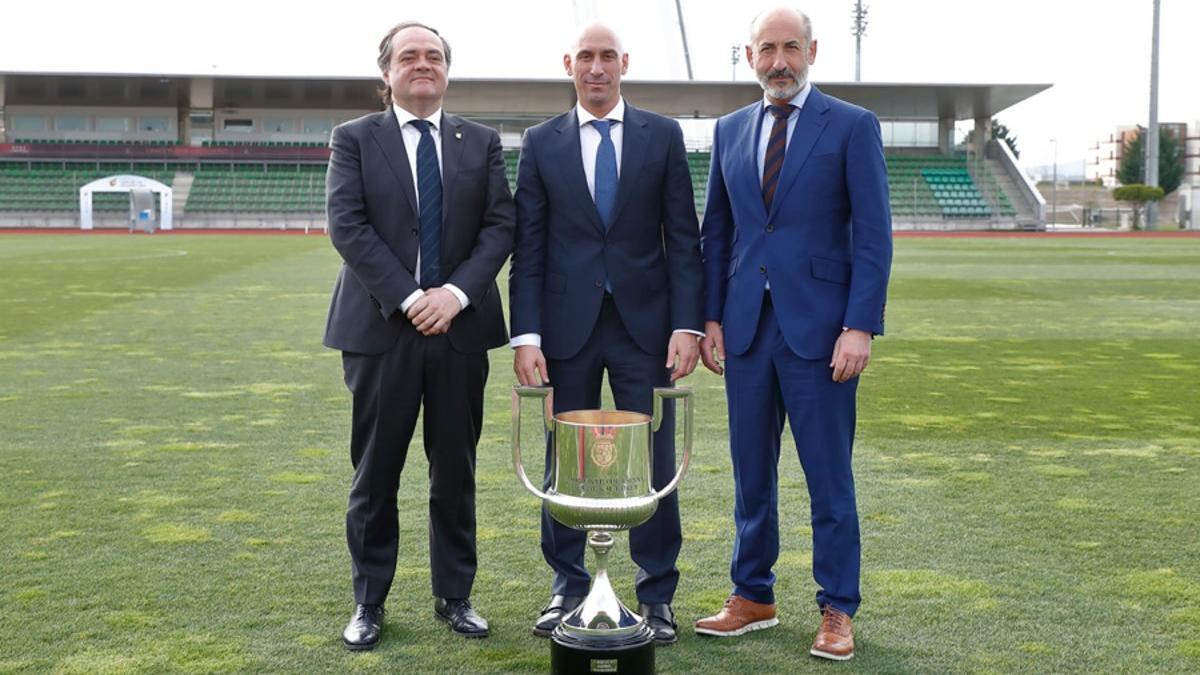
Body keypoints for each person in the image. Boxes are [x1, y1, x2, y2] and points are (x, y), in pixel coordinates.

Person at [692, 7, 892, 662]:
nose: (779, 61)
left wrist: (860, 324)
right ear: (747, 56)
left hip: (822, 332)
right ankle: (752, 594)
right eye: (766, 49)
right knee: (753, 474)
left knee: (828, 476)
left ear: (813, 51)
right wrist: (712, 317)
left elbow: (873, 235)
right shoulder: (729, 130)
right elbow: (717, 233)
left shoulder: (853, 126)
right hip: (747, 328)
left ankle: (838, 607)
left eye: (791, 48)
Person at [508, 23, 703, 646]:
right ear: (569, 64)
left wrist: (686, 325)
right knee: (563, 461)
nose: (597, 68)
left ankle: (657, 593)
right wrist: (526, 337)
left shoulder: (662, 135)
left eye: (607, 57)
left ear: (625, 63)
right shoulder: (540, 143)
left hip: (648, 329)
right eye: (586, 57)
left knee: (652, 459)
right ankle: (566, 585)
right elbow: (528, 246)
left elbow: (684, 237)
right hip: (564, 329)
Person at [322, 20, 514, 650]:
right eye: (410, 56)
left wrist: (453, 295)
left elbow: (499, 228)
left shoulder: (480, 141)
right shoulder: (353, 138)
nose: (423, 64)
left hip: (459, 330)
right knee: (376, 473)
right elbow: (348, 227)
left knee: (454, 471)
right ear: (387, 72)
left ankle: (454, 595)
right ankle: (368, 601)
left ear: (447, 70)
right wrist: (410, 298)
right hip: (382, 330)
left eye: (434, 56)